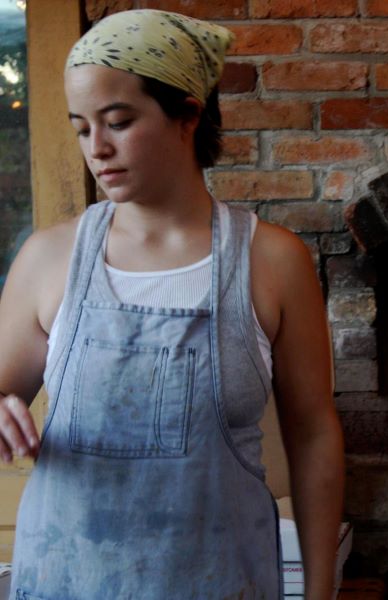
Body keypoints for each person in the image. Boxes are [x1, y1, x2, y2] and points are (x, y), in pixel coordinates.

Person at [0, 9, 344, 599]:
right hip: (64, 583)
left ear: (188, 113)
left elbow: (313, 435)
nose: (97, 149)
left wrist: (319, 592)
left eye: (118, 121)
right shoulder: (47, 259)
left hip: (221, 584)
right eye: (82, 128)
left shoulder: (272, 261)